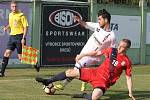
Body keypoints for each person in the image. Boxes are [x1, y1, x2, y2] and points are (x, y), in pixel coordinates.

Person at [36, 39, 136, 100]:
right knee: (70, 72)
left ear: (127, 48)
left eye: (122, 47)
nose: (119, 47)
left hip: (104, 82)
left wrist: (130, 92)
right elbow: (96, 53)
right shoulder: (112, 50)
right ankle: (47, 81)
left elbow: (128, 78)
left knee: (95, 97)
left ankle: (84, 95)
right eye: (119, 45)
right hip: (95, 73)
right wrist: (82, 54)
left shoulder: (127, 62)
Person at [54, 9, 116, 91]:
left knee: (77, 67)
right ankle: (85, 79)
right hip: (84, 52)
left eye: (100, 19)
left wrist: (111, 64)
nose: (98, 21)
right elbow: (86, 24)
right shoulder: (97, 26)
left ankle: (63, 85)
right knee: (80, 69)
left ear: (106, 20)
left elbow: (113, 51)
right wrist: (79, 20)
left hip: (93, 57)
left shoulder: (112, 36)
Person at [0, 1, 28, 77]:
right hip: (12, 37)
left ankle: (35, 63)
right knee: (6, 53)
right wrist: (7, 27)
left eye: (15, 6)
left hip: (19, 36)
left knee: (21, 58)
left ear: (17, 7)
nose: (14, 8)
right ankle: (1, 72)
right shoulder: (10, 15)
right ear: (10, 7)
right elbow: (11, 23)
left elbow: (26, 27)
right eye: (13, 6)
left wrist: (23, 38)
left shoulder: (21, 15)